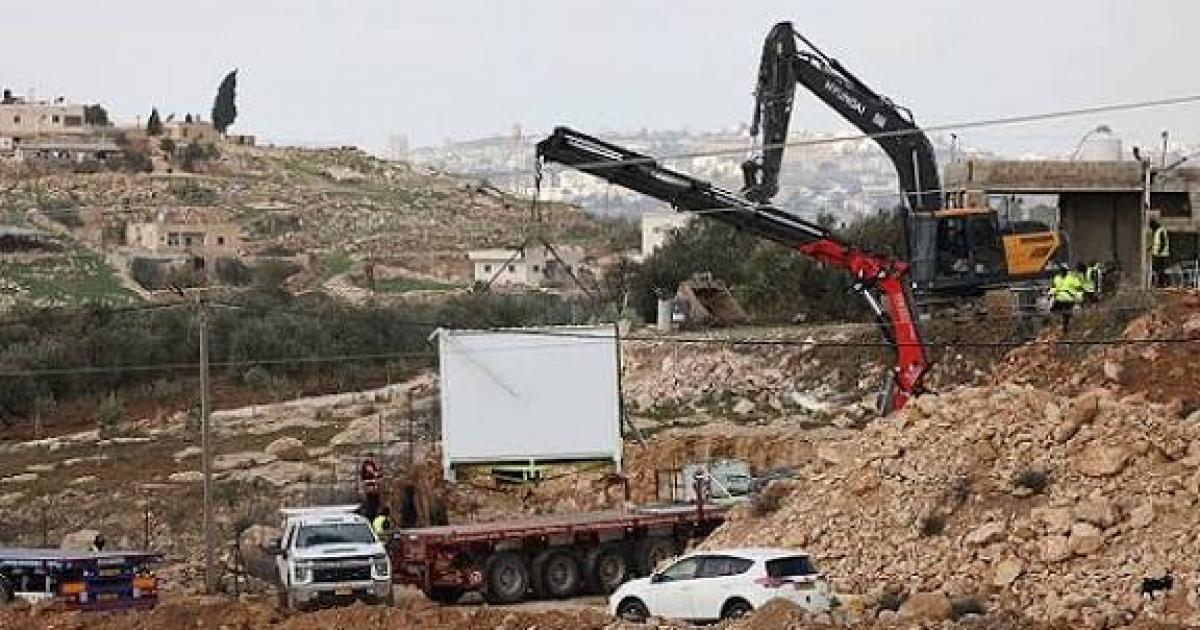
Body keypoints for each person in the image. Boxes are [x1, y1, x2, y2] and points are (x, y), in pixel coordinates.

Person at [1048, 264, 1084, 334]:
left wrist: (1079, 298)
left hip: (1069, 299)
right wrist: (1050, 294)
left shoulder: (1072, 278)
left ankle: (1065, 326)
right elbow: (1054, 287)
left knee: (1066, 314)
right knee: (1053, 311)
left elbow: (1079, 288)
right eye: (1061, 270)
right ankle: (1058, 325)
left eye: (1063, 270)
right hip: (1059, 299)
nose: (1062, 272)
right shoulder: (1057, 278)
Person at [360, 453, 383, 519]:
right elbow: (364, 480)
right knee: (371, 504)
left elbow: (379, 475)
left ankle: (374, 515)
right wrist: (373, 480)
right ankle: (370, 516)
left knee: (376, 504)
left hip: (375, 489)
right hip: (370, 489)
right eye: (371, 458)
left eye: (373, 458)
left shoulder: (375, 466)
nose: (372, 459)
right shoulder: (366, 466)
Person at [1149, 219, 1170, 287]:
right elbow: (1156, 242)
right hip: (1157, 253)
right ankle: (1160, 283)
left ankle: (1162, 283)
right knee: (1158, 269)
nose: (1151, 228)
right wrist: (1151, 248)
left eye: (1151, 227)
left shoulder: (1161, 230)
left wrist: (1159, 251)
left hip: (1162, 254)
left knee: (1160, 269)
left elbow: (1163, 242)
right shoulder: (1156, 231)